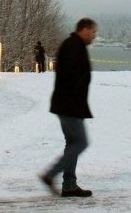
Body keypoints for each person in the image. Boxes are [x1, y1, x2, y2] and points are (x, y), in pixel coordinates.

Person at [40, 18, 97, 198]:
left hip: (69, 104)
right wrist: (78, 89)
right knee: (80, 142)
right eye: (93, 32)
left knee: (72, 143)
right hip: (69, 105)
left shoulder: (74, 44)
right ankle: (50, 174)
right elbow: (70, 75)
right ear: (84, 29)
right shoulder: (73, 46)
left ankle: (69, 185)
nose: (94, 36)